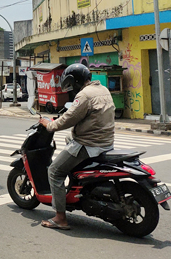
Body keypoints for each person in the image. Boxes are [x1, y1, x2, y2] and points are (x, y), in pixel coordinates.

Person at [37, 63, 115, 230]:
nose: (72, 89)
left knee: (54, 171)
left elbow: (69, 118)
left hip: (89, 144)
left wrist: (49, 125)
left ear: (77, 81)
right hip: (106, 142)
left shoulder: (84, 95)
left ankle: (60, 218)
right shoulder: (103, 90)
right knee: (68, 138)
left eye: (72, 84)